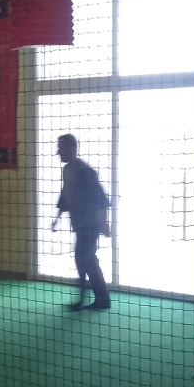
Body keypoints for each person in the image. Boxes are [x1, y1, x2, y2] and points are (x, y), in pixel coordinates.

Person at [51, 133, 111, 311]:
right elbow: (65, 195)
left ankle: (99, 299)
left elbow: (100, 198)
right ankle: (95, 299)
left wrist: (103, 223)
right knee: (84, 259)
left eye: (61, 147)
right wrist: (57, 219)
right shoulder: (67, 170)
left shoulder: (85, 171)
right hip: (79, 224)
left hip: (90, 224)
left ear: (71, 148)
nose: (58, 152)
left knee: (85, 259)